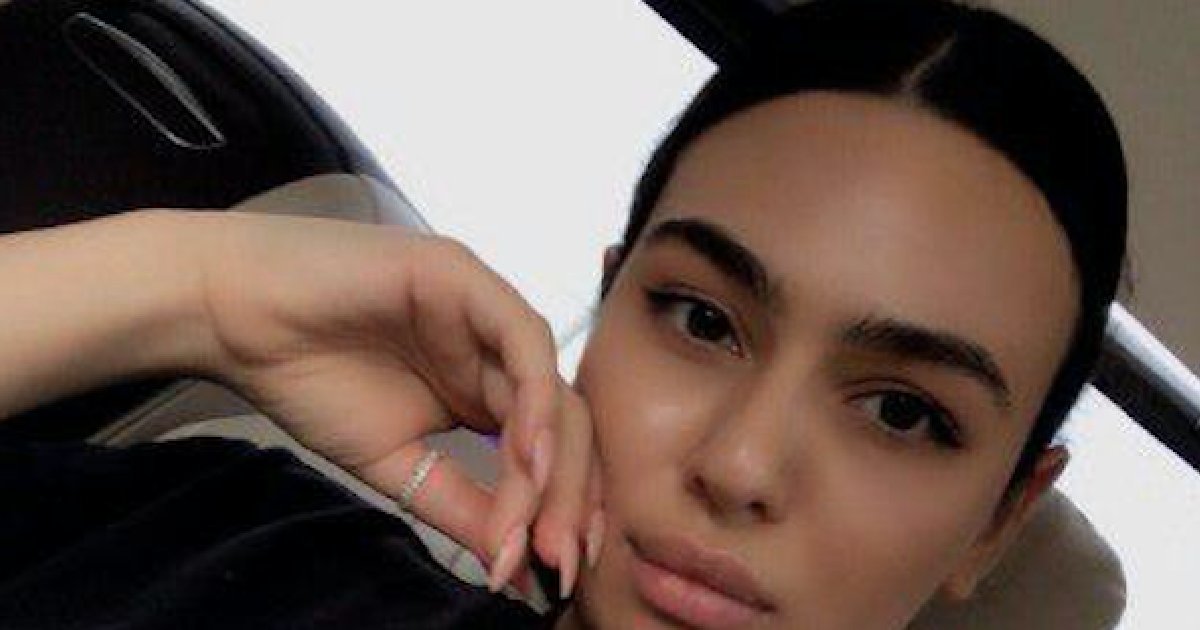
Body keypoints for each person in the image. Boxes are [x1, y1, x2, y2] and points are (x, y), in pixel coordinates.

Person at [0, 0, 1126, 628]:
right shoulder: (256, 552)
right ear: (608, 304)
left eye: (902, 413)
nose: (739, 465)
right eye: (700, 321)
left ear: (1000, 521)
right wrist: (200, 294)